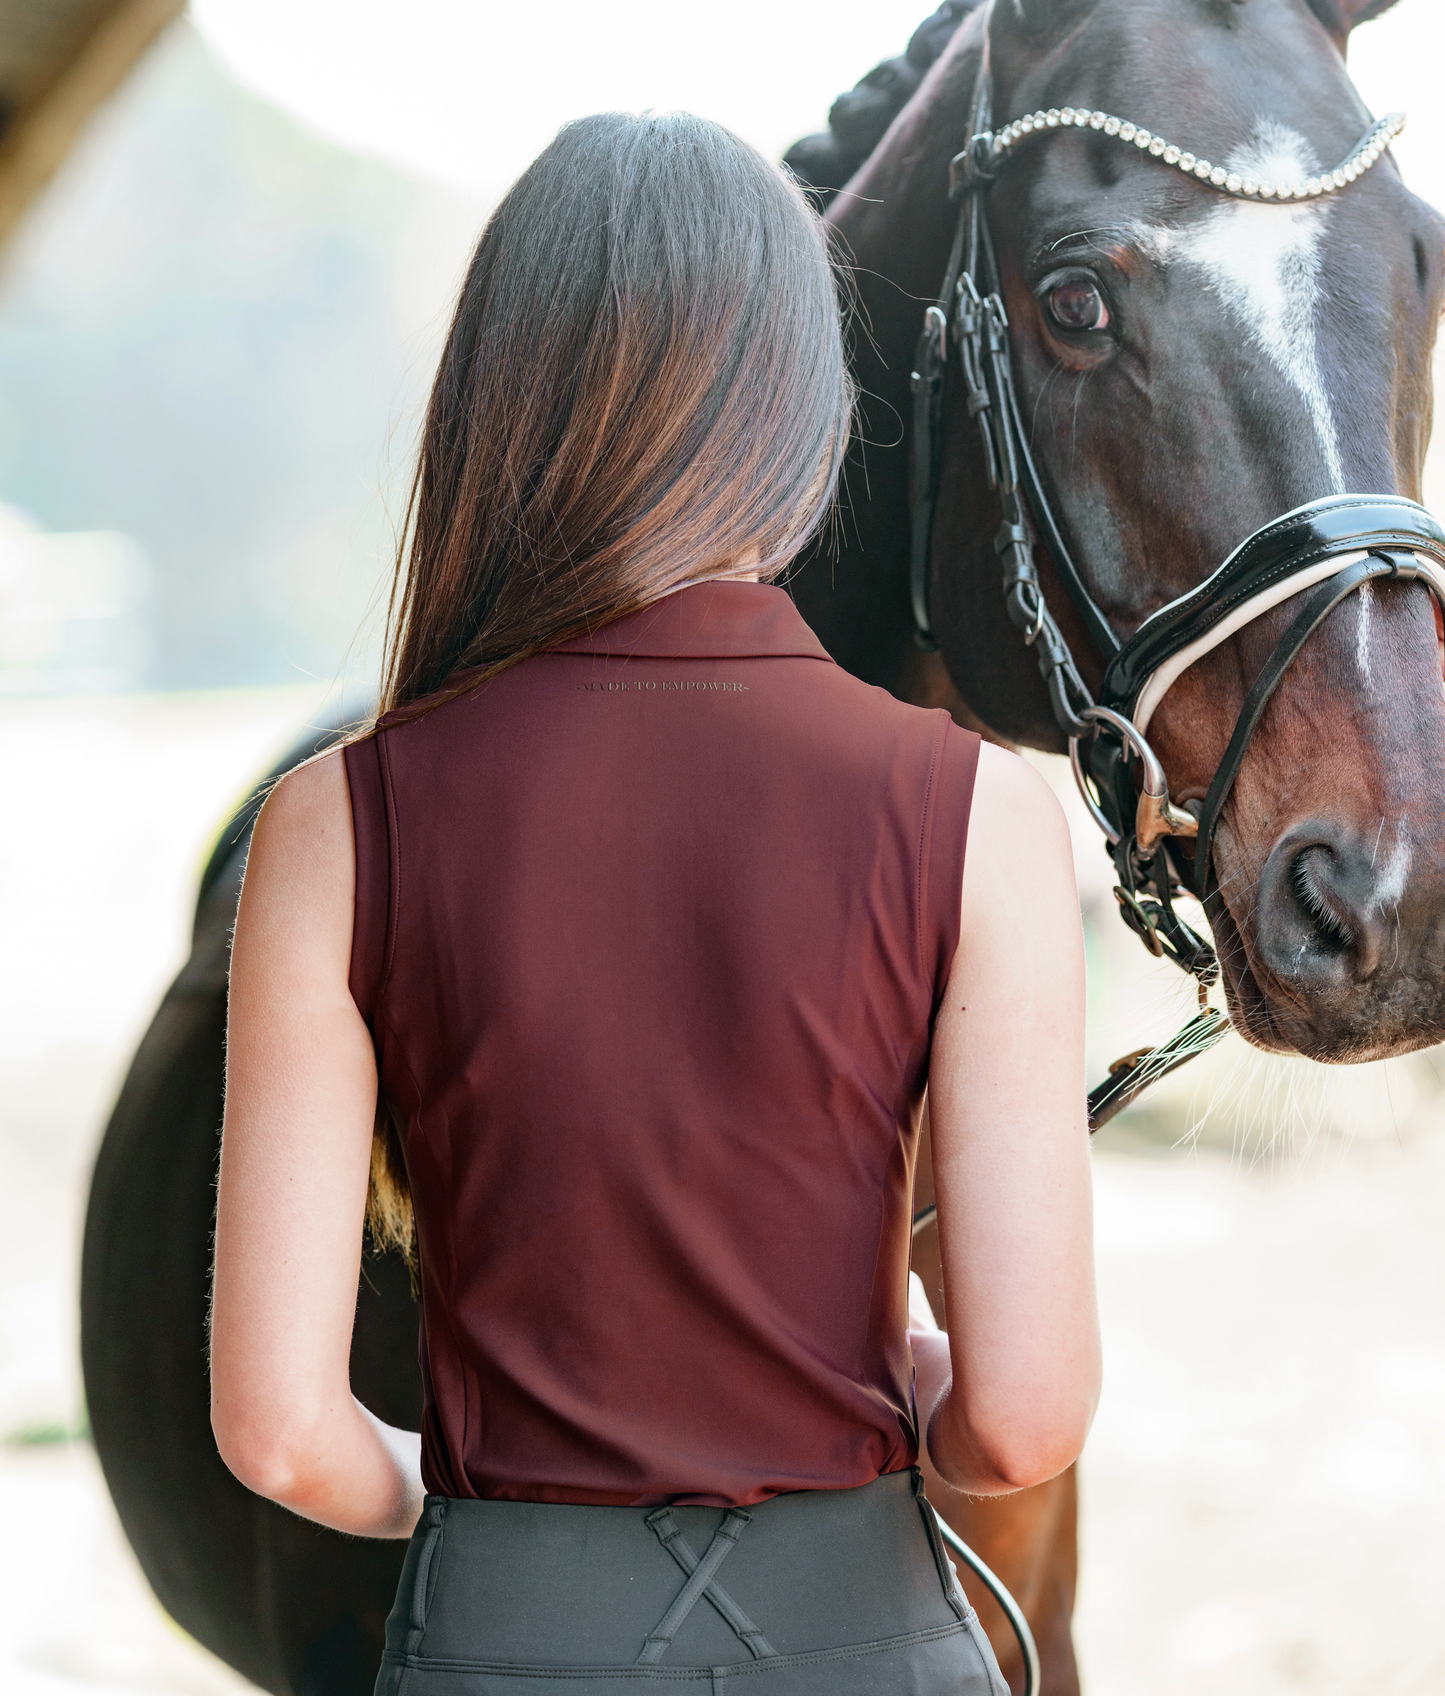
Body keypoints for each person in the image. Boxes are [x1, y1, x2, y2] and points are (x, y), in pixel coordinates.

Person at [210, 111, 1098, 1694]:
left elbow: (279, 1428)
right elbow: (1026, 1422)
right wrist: (912, 1384)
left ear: (497, 407)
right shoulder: (979, 814)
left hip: (500, 1640)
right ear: (805, 411)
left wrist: (453, 1506)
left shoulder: (332, 825)